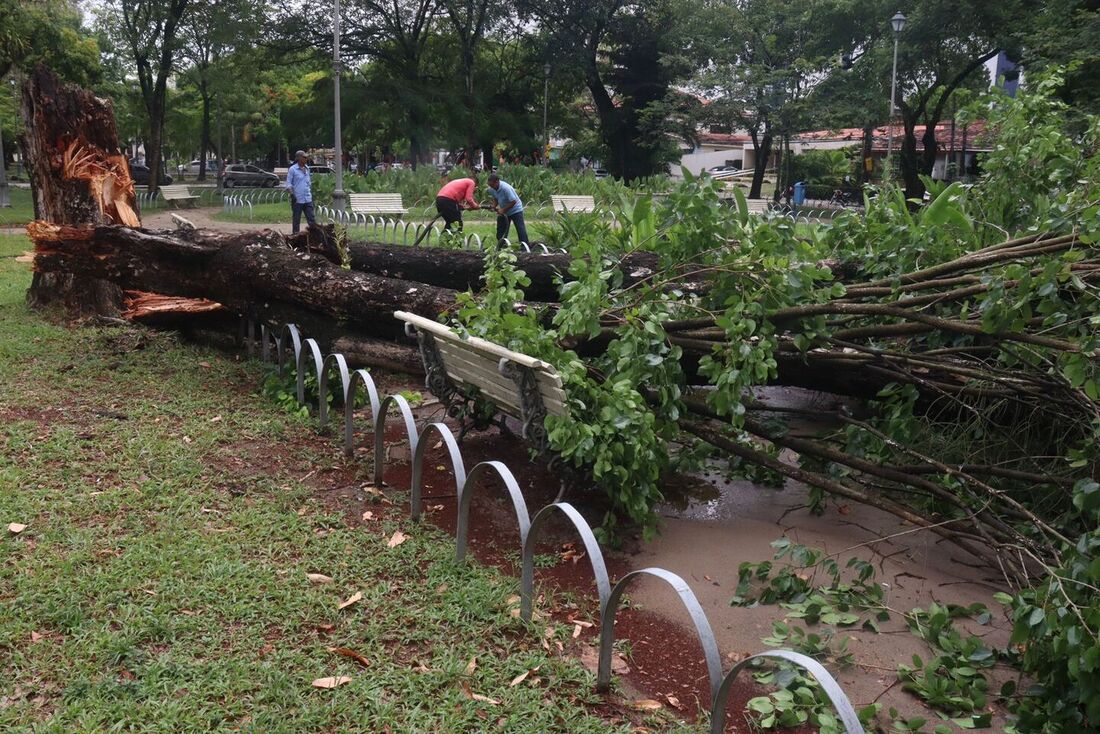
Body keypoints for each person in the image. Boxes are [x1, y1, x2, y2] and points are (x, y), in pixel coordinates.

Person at [486, 173, 528, 247]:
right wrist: (494, 206)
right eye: (490, 186)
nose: (491, 187)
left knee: (520, 229)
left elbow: (513, 201)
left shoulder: (506, 188)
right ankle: (501, 246)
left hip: (516, 210)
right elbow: (496, 197)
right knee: (501, 229)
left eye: (492, 185)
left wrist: (503, 210)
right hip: (505, 210)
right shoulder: (492, 189)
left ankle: (525, 247)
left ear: (497, 182)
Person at [285, 150, 315, 234]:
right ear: (299, 158)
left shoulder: (307, 168)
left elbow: (308, 183)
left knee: (311, 219)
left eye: (306, 157)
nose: (306, 159)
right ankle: (295, 236)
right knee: (296, 219)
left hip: (307, 198)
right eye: (304, 157)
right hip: (297, 199)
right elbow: (288, 184)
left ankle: (314, 236)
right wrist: (292, 194)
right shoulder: (293, 169)